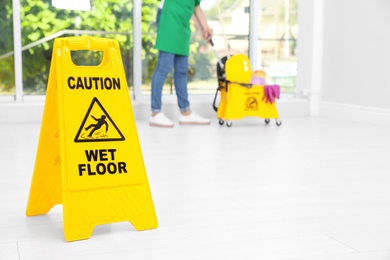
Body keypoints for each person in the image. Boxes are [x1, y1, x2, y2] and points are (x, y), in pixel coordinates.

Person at [149, 0, 213, 128]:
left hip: (183, 23)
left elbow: (196, 6)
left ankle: (185, 112)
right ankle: (155, 113)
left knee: (182, 69)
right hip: (169, 17)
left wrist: (205, 27)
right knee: (164, 66)